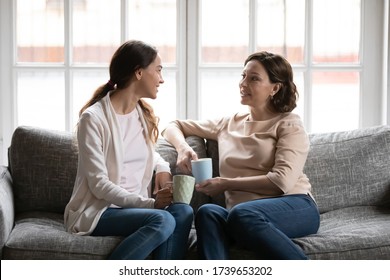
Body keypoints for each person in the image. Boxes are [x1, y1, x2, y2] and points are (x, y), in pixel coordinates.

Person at [162, 51, 320, 260]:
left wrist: (225, 184)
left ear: (275, 88)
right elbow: (173, 125)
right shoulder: (228, 124)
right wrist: (183, 149)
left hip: (293, 206)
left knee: (242, 213)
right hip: (241, 215)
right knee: (208, 212)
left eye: (253, 78)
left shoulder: (288, 124)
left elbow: (281, 181)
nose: (243, 83)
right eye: (243, 76)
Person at [64, 40, 193, 260]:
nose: (162, 79)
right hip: (101, 210)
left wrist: (162, 168)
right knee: (162, 219)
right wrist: (151, 204)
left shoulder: (140, 114)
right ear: (139, 72)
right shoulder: (93, 119)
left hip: (136, 208)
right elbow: (99, 185)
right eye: (159, 70)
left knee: (184, 212)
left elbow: (146, 153)